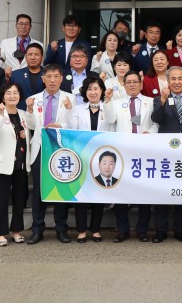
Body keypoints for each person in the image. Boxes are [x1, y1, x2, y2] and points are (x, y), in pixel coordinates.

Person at [24, 63, 75, 244]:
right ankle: (37, 229)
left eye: (56, 76)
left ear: (61, 79)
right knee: (39, 190)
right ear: (43, 79)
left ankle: (61, 229)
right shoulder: (33, 99)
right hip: (40, 148)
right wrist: (30, 110)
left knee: (60, 188)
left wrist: (61, 124)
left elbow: (75, 125)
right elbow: (31, 126)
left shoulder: (70, 98)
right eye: (49, 76)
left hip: (60, 148)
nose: (52, 80)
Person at [105, 70, 157, 242]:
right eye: (129, 82)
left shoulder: (151, 102)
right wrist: (107, 101)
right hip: (123, 152)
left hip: (144, 151)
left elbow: (156, 123)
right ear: (124, 85)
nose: (132, 85)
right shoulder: (116, 103)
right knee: (121, 192)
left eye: (135, 82)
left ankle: (142, 230)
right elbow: (110, 120)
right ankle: (123, 230)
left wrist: (149, 133)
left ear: (141, 84)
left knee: (143, 192)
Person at [150, 67, 182, 242]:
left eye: (180, 79)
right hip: (165, 153)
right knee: (162, 192)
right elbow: (156, 119)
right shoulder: (159, 99)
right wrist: (163, 100)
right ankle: (161, 230)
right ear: (168, 81)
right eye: (173, 79)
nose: (177, 82)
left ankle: (180, 230)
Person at [68, 76, 115, 243]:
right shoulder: (77, 109)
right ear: (84, 92)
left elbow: (111, 122)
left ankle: (95, 230)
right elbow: (72, 130)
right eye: (89, 89)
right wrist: (68, 110)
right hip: (82, 156)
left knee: (98, 193)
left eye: (96, 88)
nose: (93, 92)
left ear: (102, 91)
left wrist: (108, 103)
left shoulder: (108, 107)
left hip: (102, 156)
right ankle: (81, 230)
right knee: (81, 193)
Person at [0, 82, 32, 247]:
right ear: (3, 97)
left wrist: (31, 109)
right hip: (2, 165)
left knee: (19, 200)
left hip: (21, 164)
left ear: (20, 95)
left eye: (15, 92)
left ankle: (16, 231)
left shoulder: (23, 114)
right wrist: (0, 115)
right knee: (1, 200)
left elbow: (31, 129)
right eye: (8, 93)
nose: (12, 96)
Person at [10, 42, 45, 110]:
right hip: (21, 113)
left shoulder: (48, 75)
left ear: (42, 57)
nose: (33, 57)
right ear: (25, 57)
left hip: (42, 112)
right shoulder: (16, 75)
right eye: (30, 54)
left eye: (36, 54)